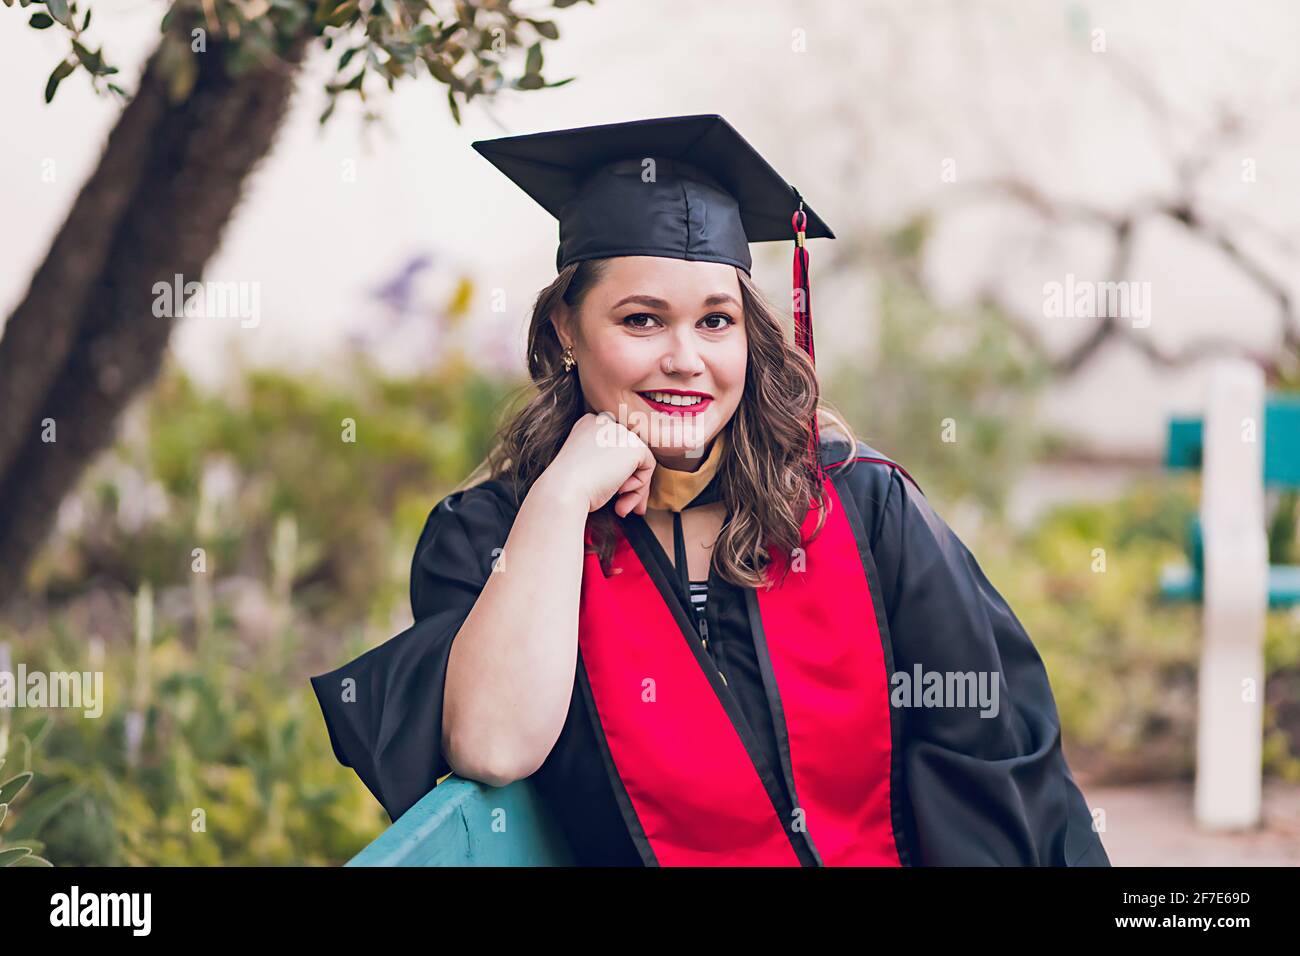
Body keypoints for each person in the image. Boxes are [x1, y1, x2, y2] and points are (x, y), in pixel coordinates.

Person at [310, 114, 1111, 867]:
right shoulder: (491, 535)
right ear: (565, 330)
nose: (686, 358)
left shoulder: (861, 510)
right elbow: (491, 744)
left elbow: (996, 764)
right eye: (641, 320)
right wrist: (559, 501)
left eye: (715, 321)